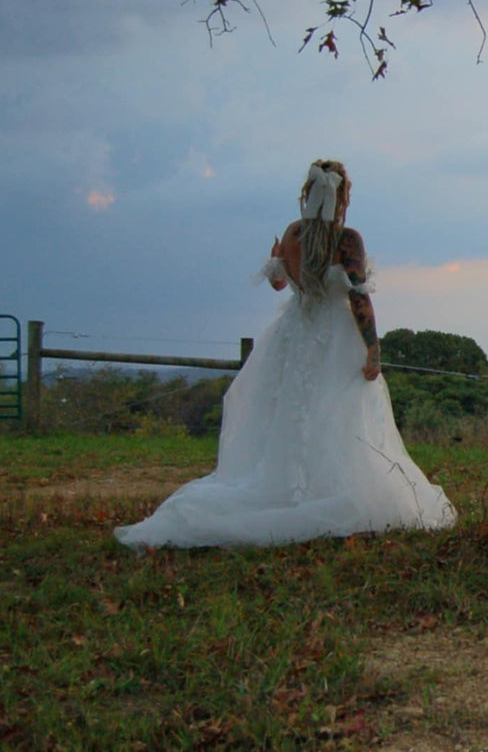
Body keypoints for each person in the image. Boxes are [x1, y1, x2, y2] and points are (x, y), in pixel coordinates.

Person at [115, 160, 457, 548]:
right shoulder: (348, 240)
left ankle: (291, 488)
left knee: (294, 412)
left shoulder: (293, 234)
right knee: (338, 414)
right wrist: (373, 347)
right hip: (335, 337)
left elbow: (279, 283)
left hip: (294, 334)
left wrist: (279, 254)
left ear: (307, 194)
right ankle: (326, 490)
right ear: (342, 196)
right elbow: (359, 298)